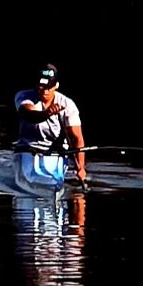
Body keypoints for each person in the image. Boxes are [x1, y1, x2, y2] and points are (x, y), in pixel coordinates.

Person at [13, 62, 88, 190]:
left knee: (54, 179)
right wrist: (47, 113)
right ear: (36, 84)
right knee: (33, 172)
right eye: (42, 86)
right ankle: (39, 185)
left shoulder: (68, 105)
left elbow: (77, 139)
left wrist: (81, 168)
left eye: (49, 86)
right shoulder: (24, 96)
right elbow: (29, 115)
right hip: (27, 150)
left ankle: (54, 188)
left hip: (56, 153)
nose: (45, 90)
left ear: (56, 86)